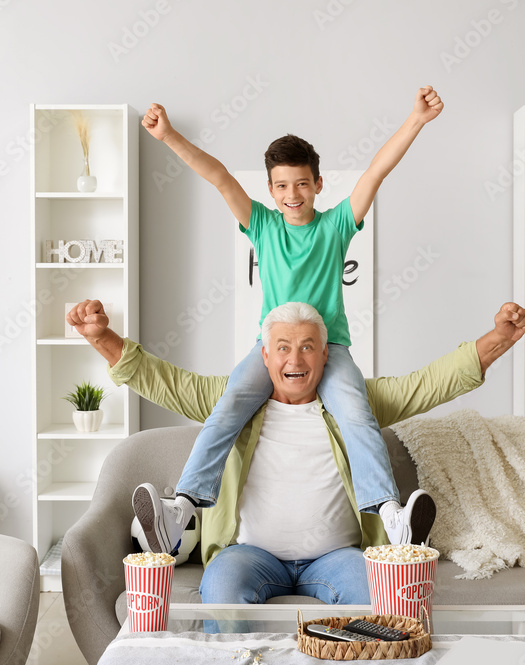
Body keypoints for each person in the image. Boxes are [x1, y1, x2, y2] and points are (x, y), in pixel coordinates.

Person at [134, 87, 445, 554]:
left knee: (357, 415)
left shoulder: (336, 225)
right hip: (273, 350)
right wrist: (169, 136)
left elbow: (377, 170)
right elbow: (218, 177)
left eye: (301, 183)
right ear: (270, 190)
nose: (292, 194)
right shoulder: (262, 224)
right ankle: (181, 507)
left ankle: (390, 514)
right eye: (281, 185)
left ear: (318, 185)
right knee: (229, 406)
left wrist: (416, 119)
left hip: (329, 349)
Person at [67, 299, 525, 604]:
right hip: (247, 554)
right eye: (283, 348)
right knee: (223, 596)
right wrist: (100, 338)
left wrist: (497, 341)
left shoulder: (353, 406)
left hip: (337, 557)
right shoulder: (235, 403)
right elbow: (165, 381)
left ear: (326, 356)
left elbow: (426, 385)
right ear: (264, 356)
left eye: (308, 347)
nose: (296, 359)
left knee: (379, 603)